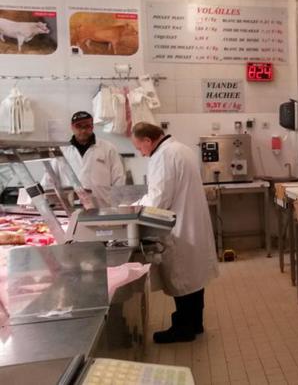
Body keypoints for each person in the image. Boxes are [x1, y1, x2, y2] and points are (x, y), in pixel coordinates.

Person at [131, 122, 219, 344]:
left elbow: (158, 199)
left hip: (179, 227)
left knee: (182, 277)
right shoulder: (182, 149)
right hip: (192, 223)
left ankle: (183, 328)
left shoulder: (162, 156)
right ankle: (195, 323)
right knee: (194, 277)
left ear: (148, 141)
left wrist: (133, 208)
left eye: (139, 147)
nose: (141, 153)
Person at [42, 111, 125, 208]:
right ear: (72, 127)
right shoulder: (62, 151)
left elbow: (119, 179)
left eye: (87, 126)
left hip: (102, 207)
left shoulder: (108, 148)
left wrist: (115, 206)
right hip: (71, 207)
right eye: (79, 126)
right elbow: (49, 179)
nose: (83, 130)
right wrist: (41, 202)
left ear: (92, 127)